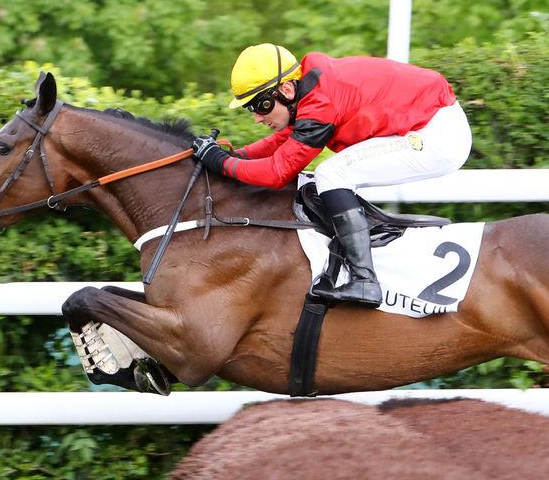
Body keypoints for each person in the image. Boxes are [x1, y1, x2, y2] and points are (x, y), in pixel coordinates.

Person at [191, 43, 472, 307]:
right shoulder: (310, 93)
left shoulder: (320, 102)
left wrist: (222, 163)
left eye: (260, 105)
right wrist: (235, 156)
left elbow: (278, 172)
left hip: (437, 136)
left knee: (332, 173)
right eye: (250, 108)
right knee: (330, 175)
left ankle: (364, 281)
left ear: (287, 89)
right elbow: (282, 143)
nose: (257, 117)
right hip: (429, 124)